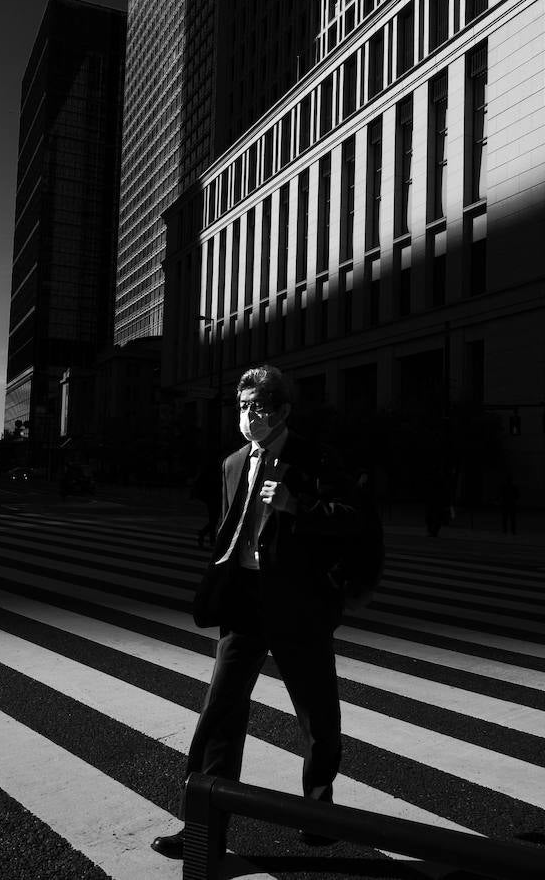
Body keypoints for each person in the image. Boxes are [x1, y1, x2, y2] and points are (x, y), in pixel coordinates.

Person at [151, 364, 381, 860]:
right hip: (245, 602)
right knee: (220, 713)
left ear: (282, 411)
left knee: (316, 713)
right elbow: (229, 524)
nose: (249, 415)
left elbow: (356, 518)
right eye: (242, 407)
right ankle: (202, 827)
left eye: (258, 407)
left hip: (298, 602)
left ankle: (319, 813)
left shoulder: (314, 458)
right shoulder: (234, 463)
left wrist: (302, 507)